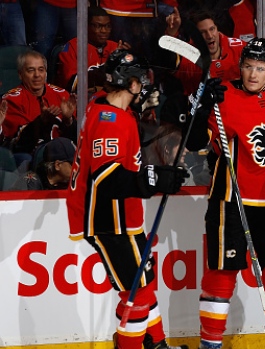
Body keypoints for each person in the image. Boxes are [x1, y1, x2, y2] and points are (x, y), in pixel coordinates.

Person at [65, 49, 189, 349]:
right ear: (131, 84)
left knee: (141, 285)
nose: (144, 86)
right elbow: (106, 179)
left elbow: (127, 146)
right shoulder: (111, 121)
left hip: (124, 217)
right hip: (109, 220)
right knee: (138, 293)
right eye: (140, 81)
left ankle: (155, 343)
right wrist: (155, 179)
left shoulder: (104, 107)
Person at [185, 38, 265, 349]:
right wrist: (204, 103)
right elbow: (194, 142)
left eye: (260, 68)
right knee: (221, 272)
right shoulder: (223, 96)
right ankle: (210, 343)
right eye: (248, 66)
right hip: (231, 198)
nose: (252, 74)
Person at [0, 50, 76, 164]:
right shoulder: (11, 100)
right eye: (31, 70)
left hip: (65, 153)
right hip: (36, 158)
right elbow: (19, 144)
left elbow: (78, 137)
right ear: (20, 74)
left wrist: (68, 120)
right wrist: (40, 122)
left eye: (41, 70)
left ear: (46, 72)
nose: (37, 75)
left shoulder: (62, 95)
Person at [162, 7, 246, 95]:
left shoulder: (239, 48)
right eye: (202, 32)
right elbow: (170, 61)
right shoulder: (188, 55)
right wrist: (171, 34)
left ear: (217, 29)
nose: (209, 36)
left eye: (212, 29)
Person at [56, 6, 131, 94]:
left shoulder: (115, 47)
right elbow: (73, 84)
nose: (104, 30)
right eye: (98, 26)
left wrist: (130, 59)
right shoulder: (73, 47)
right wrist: (109, 65)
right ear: (85, 26)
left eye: (107, 26)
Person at [10, 136, 75, 190]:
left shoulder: (68, 185)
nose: (76, 169)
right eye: (72, 164)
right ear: (57, 165)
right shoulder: (31, 183)